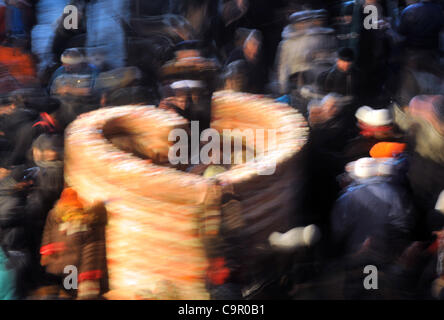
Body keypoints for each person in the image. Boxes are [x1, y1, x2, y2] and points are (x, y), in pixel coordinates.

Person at [40, 187, 108, 300]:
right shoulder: (55, 215)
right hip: (66, 265)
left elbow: (91, 250)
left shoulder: (86, 222)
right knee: (69, 292)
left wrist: (86, 275)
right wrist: (48, 250)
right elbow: (48, 231)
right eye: (67, 208)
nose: (71, 212)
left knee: (79, 294)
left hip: (77, 268)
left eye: (73, 207)